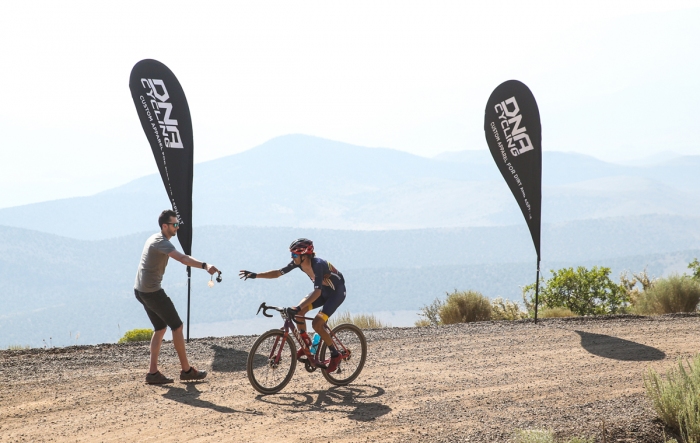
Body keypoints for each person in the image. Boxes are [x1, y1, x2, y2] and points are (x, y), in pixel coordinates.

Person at [134, 209, 220, 384]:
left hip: (140, 291)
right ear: (165, 226)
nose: (177, 228)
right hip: (152, 292)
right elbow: (183, 259)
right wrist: (205, 265)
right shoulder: (160, 242)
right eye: (174, 225)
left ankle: (152, 374)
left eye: (178, 224)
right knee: (177, 327)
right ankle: (187, 371)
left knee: (160, 329)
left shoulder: (155, 238)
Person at [239, 238, 346, 372]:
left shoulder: (318, 265)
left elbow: (317, 292)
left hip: (336, 293)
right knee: (298, 314)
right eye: (292, 254)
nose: (292, 257)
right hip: (322, 291)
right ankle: (307, 345)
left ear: (305, 255)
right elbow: (278, 273)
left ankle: (335, 355)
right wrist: (255, 275)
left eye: (295, 255)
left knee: (317, 323)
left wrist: (299, 307)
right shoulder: (298, 263)